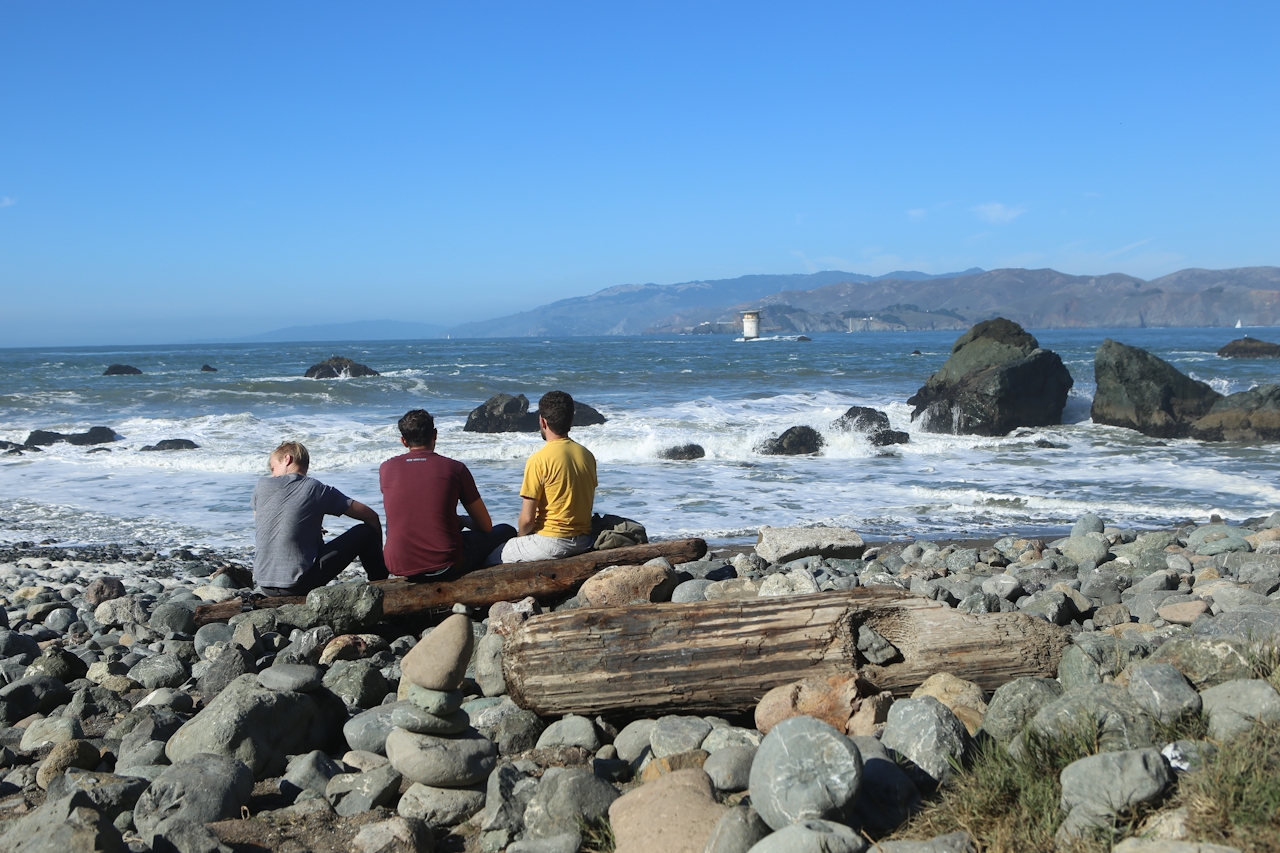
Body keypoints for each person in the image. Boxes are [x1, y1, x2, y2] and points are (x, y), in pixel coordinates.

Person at [380, 409, 514, 578]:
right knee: (505, 530)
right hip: (445, 565)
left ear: (404, 441)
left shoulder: (386, 468)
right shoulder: (454, 468)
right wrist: (461, 520)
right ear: (435, 435)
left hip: (399, 564)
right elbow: (485, 525)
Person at [251, 441, 388, 596]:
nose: (273, 474)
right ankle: (381, 587)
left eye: (273, 468)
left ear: (287, 459)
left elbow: (263, 521)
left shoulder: (261, 485)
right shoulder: (315, 488)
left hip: (264, 584)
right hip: (298, 584)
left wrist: (309, 527)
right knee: (366, 531)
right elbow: (370, 516)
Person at [488, 390, 597, 564]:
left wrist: (520, 538)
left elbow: (527, 520)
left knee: (491, 557)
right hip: (584, 540)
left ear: (543, 421)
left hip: (552, 542)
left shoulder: (539, 460)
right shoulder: (587, 455)